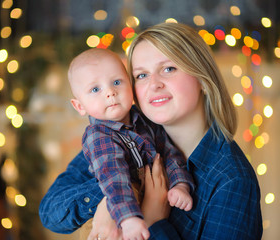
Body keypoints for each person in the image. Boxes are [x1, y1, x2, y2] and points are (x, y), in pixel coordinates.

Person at [39, 22, 263, 239]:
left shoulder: (231, 179)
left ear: (202, 79)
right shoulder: (121, 136)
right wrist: (112, 198)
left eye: (168, 69)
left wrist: (154, 221)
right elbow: (50, 213)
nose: (153, 84)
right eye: (141, 75)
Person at [63, 48, 194, 239]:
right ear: (80, 106)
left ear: (130, 86)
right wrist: (128, 219)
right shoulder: (97, 136)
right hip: (119, 206)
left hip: (154, 193)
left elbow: (167, 151)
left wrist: (180, 183)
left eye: (116, 82)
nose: (110, 92)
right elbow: (114, 177)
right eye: (95, 89)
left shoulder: (144, 119)